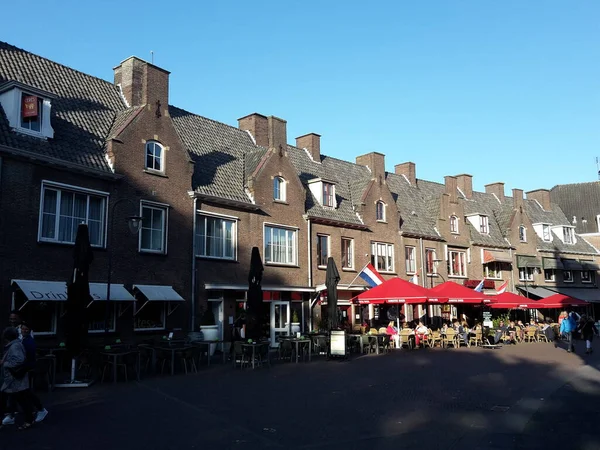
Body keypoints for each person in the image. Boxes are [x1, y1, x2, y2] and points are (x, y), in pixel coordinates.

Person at [0, 327, 35, 430]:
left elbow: (19, 360)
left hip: (14, 378)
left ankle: (28, 420)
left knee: (19, 399)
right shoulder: (16, 344)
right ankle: (27, 419)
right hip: (13, 378)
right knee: (20, 399)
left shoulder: (14, 346)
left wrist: (4, 363)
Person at [20, 323, 48, 422]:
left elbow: (28, 357)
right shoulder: (24, 340)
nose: (24, 330)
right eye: (23, 329)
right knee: (23, 392)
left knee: (26, 391)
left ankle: (39, 409)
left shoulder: (29, 342)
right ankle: (30, 410)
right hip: (25, 368)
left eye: (26, 329)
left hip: (27, 369)